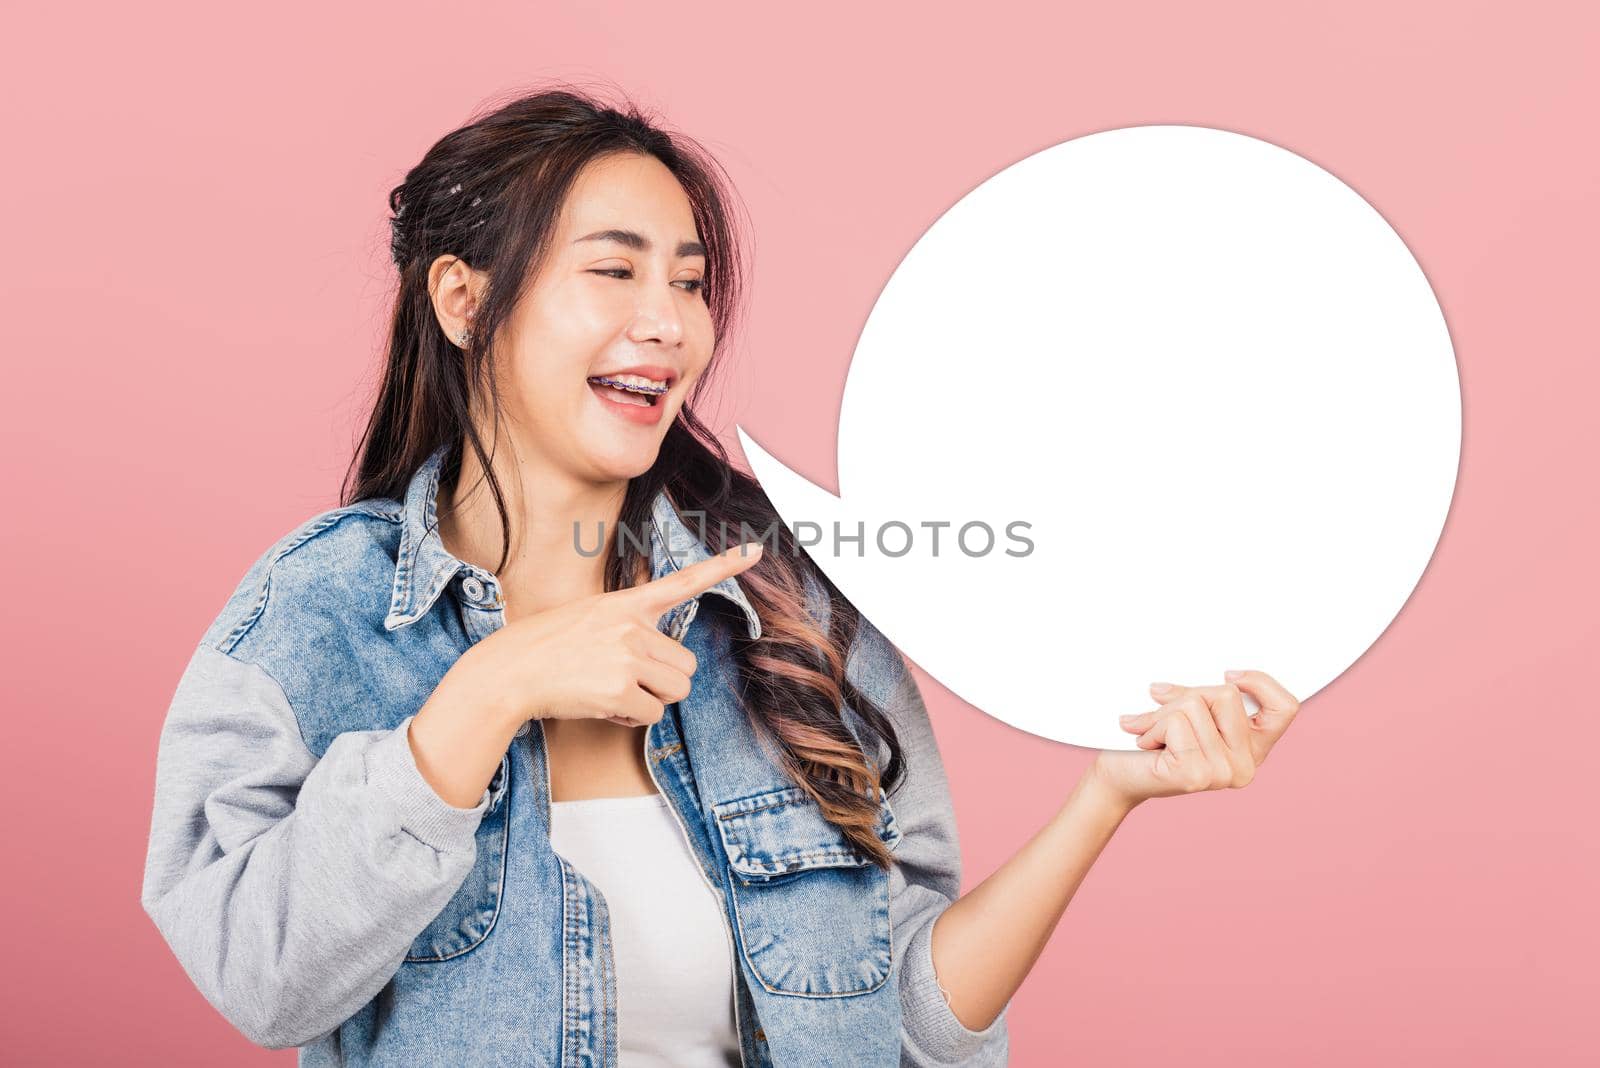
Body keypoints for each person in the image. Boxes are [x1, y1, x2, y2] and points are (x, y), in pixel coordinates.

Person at [139, 85, 1303, 1068]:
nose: (668, 324)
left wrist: (1104, 798)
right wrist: (486, 695)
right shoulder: (320, 620)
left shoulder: (793, 615)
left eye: (690, 283)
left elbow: (908, 1021)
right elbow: (260, 979)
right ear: (463, 299)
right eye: (615, 271)